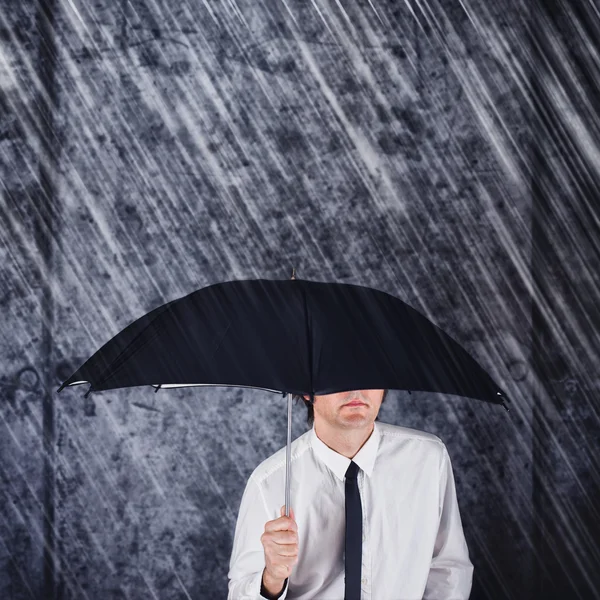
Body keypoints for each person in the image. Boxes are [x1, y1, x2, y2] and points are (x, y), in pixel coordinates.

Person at [227, 389, 474, 599]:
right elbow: (238, 593)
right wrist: (272, 578)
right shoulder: (270, 483)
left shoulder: (428, 459)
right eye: (339, 375)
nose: (356, 390)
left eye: (368, 373)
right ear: (306, 390)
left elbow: (449, 567)